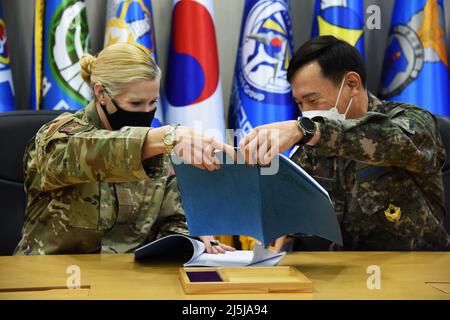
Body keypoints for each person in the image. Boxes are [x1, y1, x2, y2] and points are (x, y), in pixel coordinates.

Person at [14, 42, 235, 255]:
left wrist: (192, 237)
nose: (146, 112)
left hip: (128, 279)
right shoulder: (56, 138)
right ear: (101, 94)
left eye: (153, 103)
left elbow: (171, 220)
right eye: (136, 104)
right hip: (55, 279)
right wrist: (170, 136)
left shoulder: (158, 147)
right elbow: (94, 151)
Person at [239, 36, 450, 251]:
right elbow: (292, 201)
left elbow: (389, 141)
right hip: (345, 272)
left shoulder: (413, 121)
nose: (307, 112)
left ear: (351, 84)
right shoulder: (313, 142)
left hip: (417, 272)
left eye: (313, 100)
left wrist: (308, 130)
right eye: (300, 103)